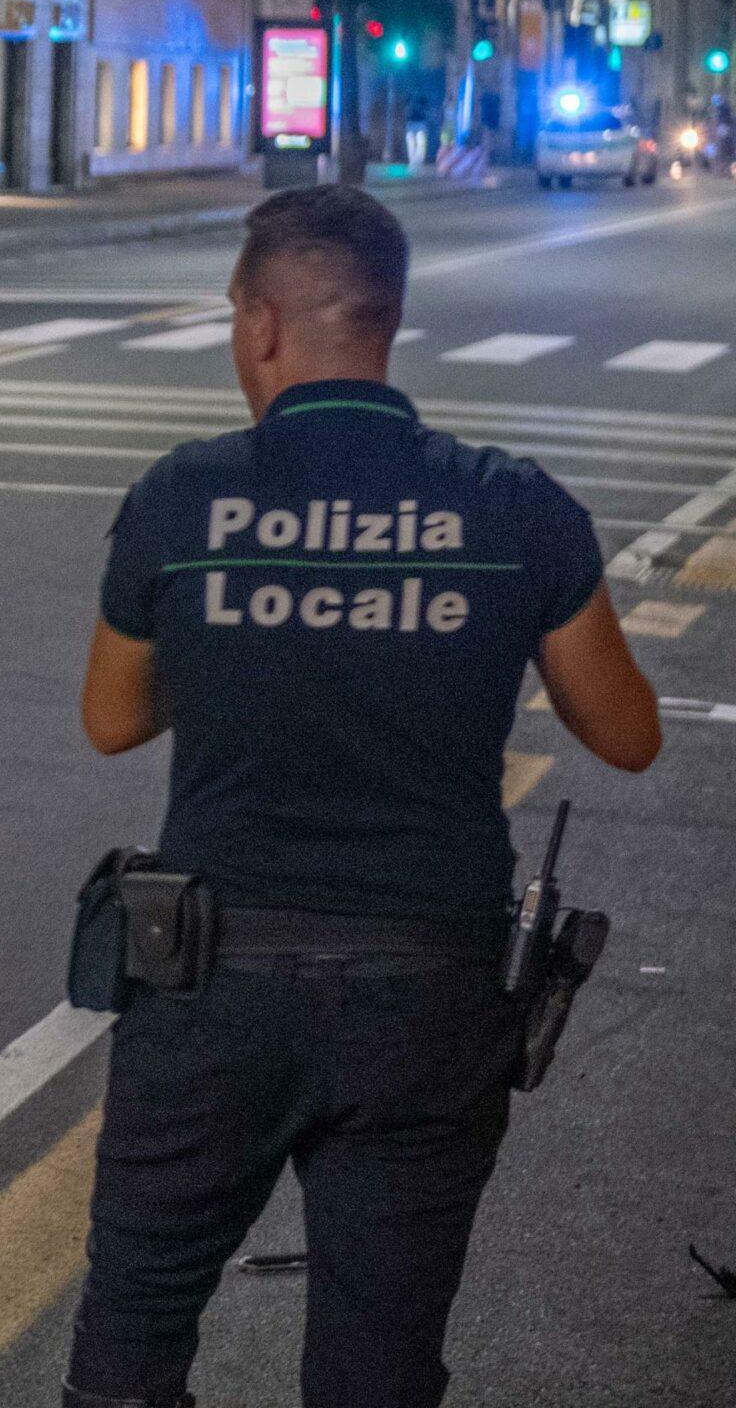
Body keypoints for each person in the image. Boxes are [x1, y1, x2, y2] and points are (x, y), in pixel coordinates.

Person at [64, 186, 661, 1408]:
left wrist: (257, 628)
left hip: (211, 996)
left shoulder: (184, 500)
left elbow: (112, 717)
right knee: (377, 1364)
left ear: (262, 327)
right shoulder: (510, 506)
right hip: (429, 999)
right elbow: (627, 735)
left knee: (133, 1328)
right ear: (383, 324)